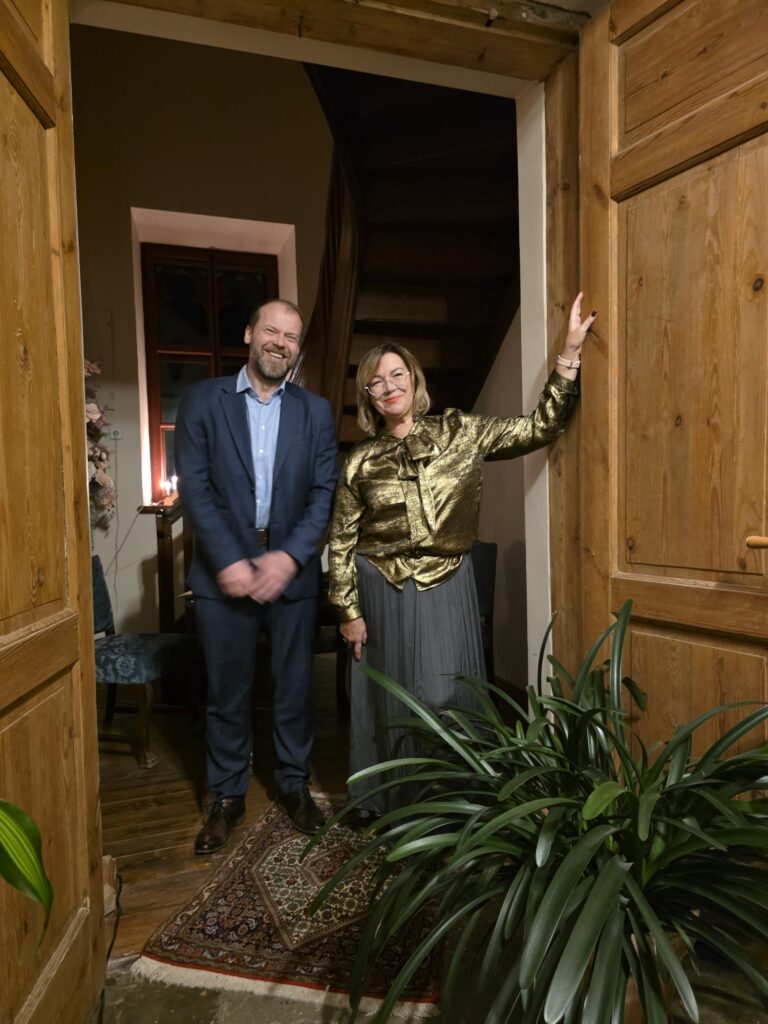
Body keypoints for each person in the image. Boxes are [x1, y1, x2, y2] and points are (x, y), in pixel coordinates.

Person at [328, 293, 596, 819]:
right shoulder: (359, 461)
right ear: (368, 396)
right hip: (377, 584)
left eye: (397, 374)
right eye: (377, 382)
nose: (389, 386)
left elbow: (538, 427)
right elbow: (341, 540)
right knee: (384, 696)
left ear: (414, 379)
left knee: (442, 694)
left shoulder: (461, 431)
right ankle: (382, 800)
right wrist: (348, 610)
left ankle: (452, 805)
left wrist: (568, 354)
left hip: (446, 581)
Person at [175, 299, 339, 852]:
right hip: (222, 575)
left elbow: (324, 493)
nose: (280, 343)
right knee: (227, 692)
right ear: (249, 334)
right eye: (271, 330)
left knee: (295, 688)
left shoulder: (316, 412)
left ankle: (293, 784)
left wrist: (289, 558)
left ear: (297, 348)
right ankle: (226, 796)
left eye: (291, 337)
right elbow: (195, 487)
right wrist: (229, 560)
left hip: (292, 574)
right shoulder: (202, 400)